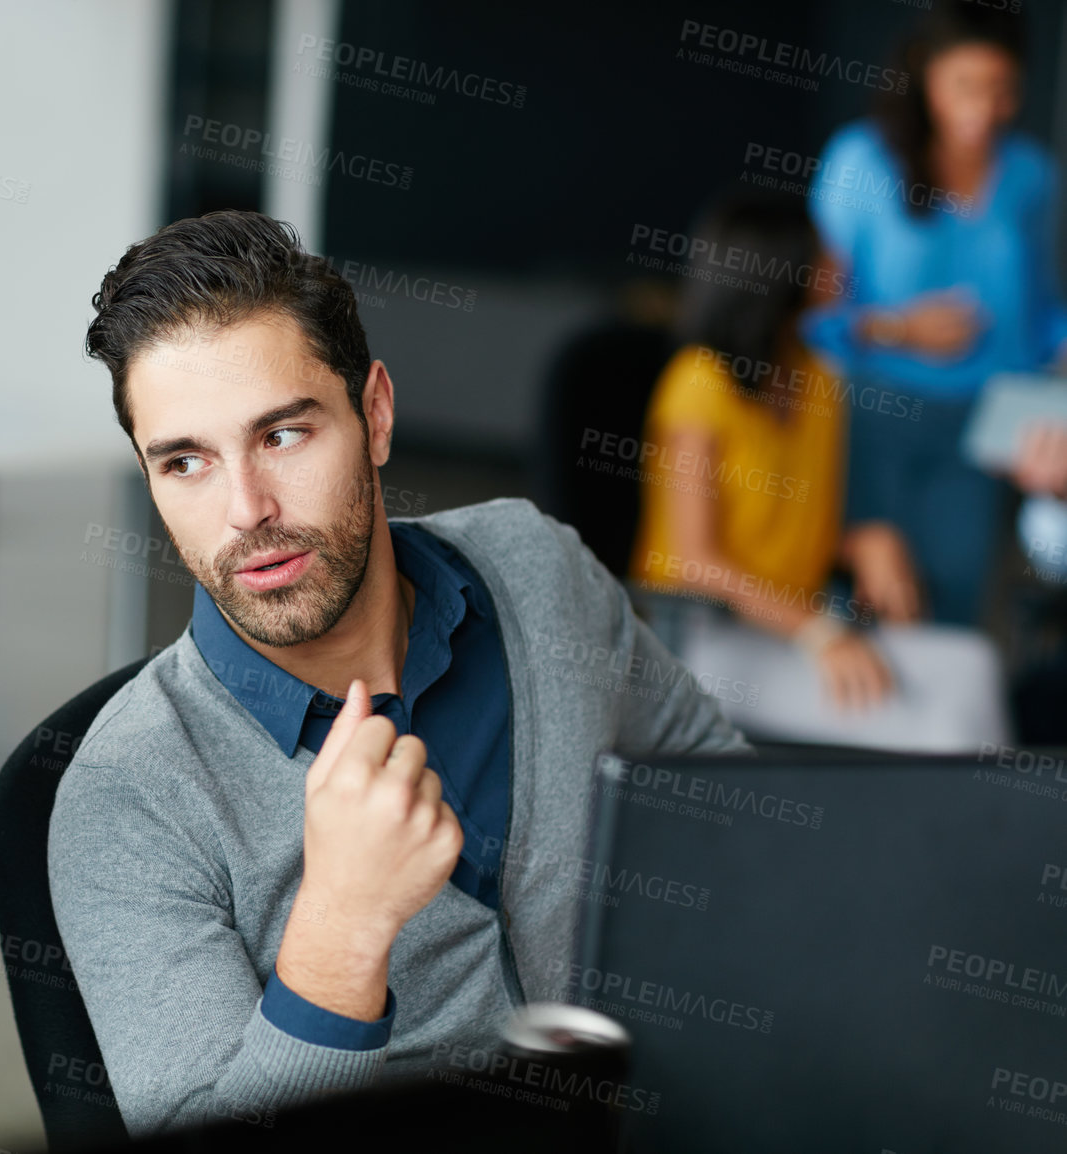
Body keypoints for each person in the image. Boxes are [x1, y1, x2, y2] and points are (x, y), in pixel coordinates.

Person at [47, 210, 747, 1137]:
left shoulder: (536, 570)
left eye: (283, 436)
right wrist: (340, 928)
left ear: (374, 414)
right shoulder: (126, 797)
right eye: (185, 462)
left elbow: (722, 792)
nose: (246, 510)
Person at [630, 191, 1010, 750]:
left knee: (974, 664)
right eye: (821, 252)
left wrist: (861, 543)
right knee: (941, 729)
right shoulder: (699, 385)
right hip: (703, 638)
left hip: (794, 625)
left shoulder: (818, 379)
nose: (839, 262)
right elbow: (695, 562)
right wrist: (820, 631)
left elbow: (791, 521)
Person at [805, 2, 1067, 626]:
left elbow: (1043, 310)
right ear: (926, 78)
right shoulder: (861, 161)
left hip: (985, 423)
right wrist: (900, 328)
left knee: (954, 605)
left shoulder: (1031, 177)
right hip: (872, 415)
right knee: (862, 598)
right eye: (965, 86)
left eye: (1003, 90)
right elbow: (812, 310)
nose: (984, 110)